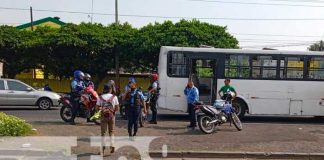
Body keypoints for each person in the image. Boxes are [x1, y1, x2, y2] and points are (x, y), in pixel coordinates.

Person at [97, 83, 119, 156]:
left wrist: (102, 109)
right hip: (112, 117)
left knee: (103, 133)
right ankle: (112, 145)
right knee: (111, 132)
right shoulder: (114, 97)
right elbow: (117, 108)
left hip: (103, 117)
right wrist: (111, 111)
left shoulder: (100, 97)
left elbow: (97, 108)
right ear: (111, 89)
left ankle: (102, 150)